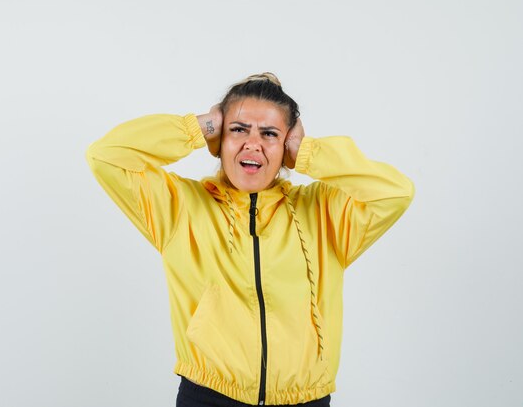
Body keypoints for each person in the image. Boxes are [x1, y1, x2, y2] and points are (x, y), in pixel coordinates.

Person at [85, 73, 414, 406]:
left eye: (269, 134)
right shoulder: (180, 208)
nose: (252, 143)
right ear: (220, 141)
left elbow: (395, 192)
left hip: (306, 399)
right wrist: (201, 127)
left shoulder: (324, 212)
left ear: (287, 144)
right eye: (238, 129)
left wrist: (308, 153)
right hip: (208, 396)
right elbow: (106, 157)